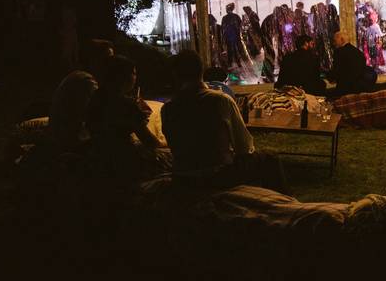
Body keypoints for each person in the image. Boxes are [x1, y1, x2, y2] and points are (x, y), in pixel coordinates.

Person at [161, 51, 289, 193]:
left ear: (176, 75)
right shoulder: (220, 100)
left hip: (183, 177)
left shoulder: (168, 108)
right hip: (217, 176)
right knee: (270, 159)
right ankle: (282, 204)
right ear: (201, 71)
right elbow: (244, 146)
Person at [86, 55, 172, 184]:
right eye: (134, 73)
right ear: (125, 76)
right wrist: (166, 143)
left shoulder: (95, 98)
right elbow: (150, 142)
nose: (136, 78)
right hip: (124, 161)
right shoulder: (126, 104)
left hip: (98, 156)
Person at [328, 31, 376, 97]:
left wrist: (329, 77)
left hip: (345, 91)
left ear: (342, 40)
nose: (334, 43)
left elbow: (336, 72)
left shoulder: (339, 52)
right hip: (360, 90)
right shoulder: (359, 52)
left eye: (335, 40)